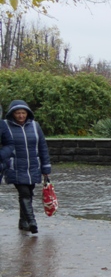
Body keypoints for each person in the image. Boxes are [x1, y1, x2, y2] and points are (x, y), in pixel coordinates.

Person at [0, 100, 52, 234]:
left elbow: (42, 147)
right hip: (15, 166)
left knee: (29, 193)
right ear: (12, 114)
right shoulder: (5, 126)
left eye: (23, 113)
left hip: (33, 166)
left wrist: (46, 168)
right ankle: (32, 221)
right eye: (18, 113)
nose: (21, 116)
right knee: (24, 193)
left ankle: (23, 222)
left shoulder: (35, 126)